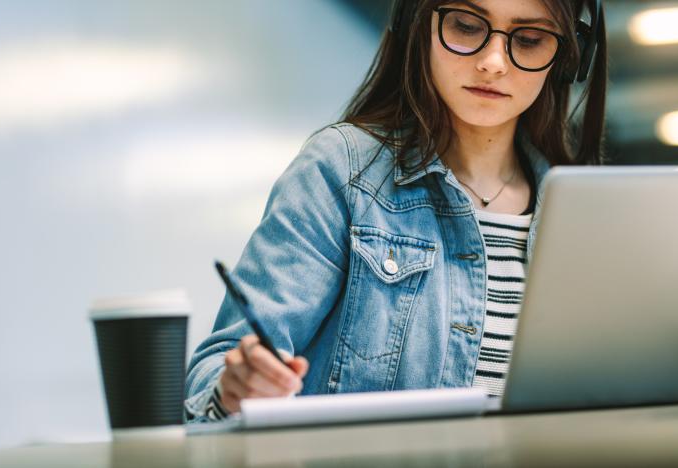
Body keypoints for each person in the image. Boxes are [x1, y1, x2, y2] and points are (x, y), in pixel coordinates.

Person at [184, 0, 607, 422]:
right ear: (417, 23)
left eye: (530, 40)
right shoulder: (341, 171)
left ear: (571, 57)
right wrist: (237, 388)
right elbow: (215, 374)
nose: (493, 62)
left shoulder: (583, 212)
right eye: (465, 25)